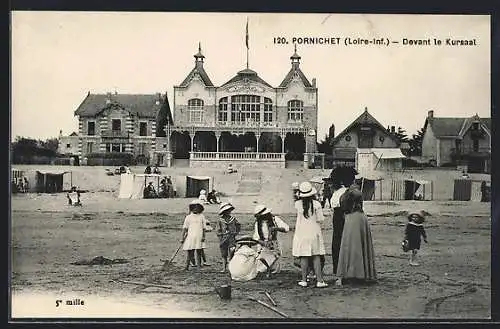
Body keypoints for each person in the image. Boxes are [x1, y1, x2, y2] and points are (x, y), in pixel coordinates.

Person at [335, 187, 377, 286]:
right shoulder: (363, 217)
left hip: (351, 220)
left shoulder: (349, 218)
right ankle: (364, 273)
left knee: (349, 247)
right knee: (360, 247)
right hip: (359, 217)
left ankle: (348, 274)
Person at [292, 181, 328, 288]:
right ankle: (319, 280)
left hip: (302, 233)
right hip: (314, 232)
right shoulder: (316, 204)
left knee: (304, 256)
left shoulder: (297, 204)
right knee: (316, 256)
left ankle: (304, 280)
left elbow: (297, 199)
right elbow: (320, 219)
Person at [252, 204, 290, 276]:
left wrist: (276, 228)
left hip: (274, 246)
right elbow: (256, 237)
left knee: (274, 268)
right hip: (263, 247)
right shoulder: (257, 223)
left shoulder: (275, 219)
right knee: (260, 269)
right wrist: (263, 243)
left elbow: (286, 228)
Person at [181, 199, 207, 270]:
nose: (195, 209)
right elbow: (185, 228)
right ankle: (186, 266)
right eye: (194, 208)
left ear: (200, 208)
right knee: (190, 252)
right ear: (191, 208)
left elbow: (204, 228)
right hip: (190, 236)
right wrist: (182, 238)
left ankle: (199, 266)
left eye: (197, 208)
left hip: (199, 236)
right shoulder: (188, 217)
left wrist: (204, 236)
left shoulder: (201, 216)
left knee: (199, 252)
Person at [217, 202, 241, 273]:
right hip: (224, 239)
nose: (228, 212)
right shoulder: (220, 220)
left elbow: (238, 225)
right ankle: (224, 268)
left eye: (229, 210)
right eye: (226, 211)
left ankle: (231, 267)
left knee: (232, 252)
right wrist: (221, 236)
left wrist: (236, 232)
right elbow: (218, 230)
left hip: (231, 238)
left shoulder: (233, 219)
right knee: (224, 254)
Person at [330, 182, 348, 275]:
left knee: (338, 241)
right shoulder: (338, 192)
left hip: (340, 215)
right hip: (339, 215)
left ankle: (338, 268)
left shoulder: (341, 192)